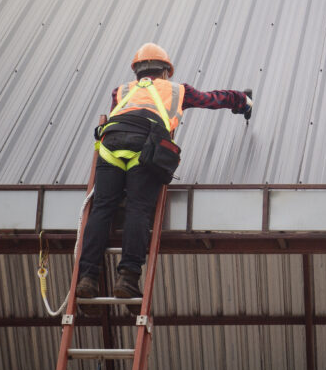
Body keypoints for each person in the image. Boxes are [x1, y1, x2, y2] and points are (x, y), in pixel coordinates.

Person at [75, 43, 251, 312]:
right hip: (144, 148)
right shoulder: (178, 90)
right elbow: (214, 99)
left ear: (137, 72)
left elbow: (118, 116)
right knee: (138, 209)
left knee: (101, 209)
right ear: (167, 71)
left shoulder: (121, 91)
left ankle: (87, 278)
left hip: (110, 145)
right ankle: (128, 277)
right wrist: (243, 101)